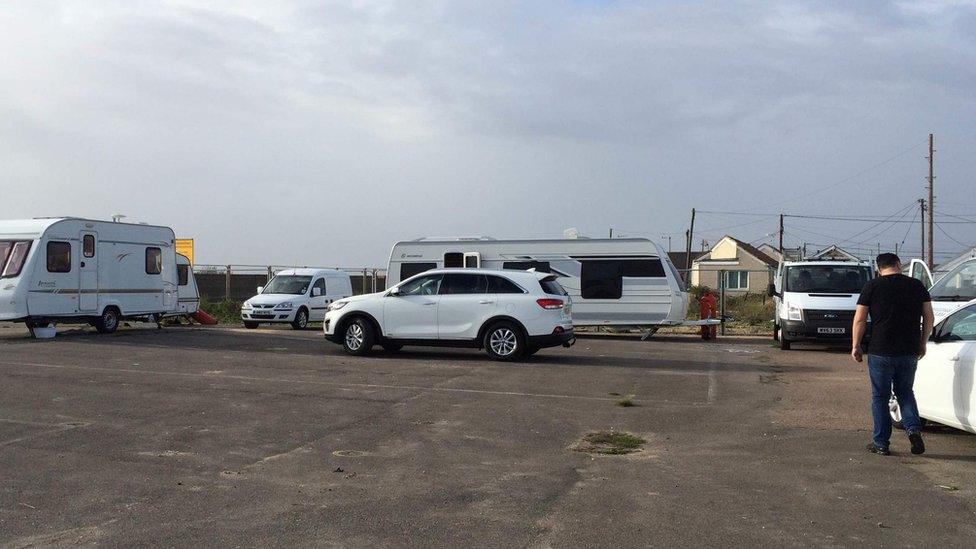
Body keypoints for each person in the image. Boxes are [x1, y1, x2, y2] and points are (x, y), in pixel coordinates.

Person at [851, 253, 934, 456]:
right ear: (898, 265)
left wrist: (856, 345)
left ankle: (881, 443)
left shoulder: (872, 286)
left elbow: (860, 320)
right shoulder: (916, 285)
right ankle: (913, 430)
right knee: (905, 392)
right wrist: (922, 343)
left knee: (880, 396)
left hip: (880, 350)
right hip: (908, 350)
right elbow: (929, 316)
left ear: (879, 269)